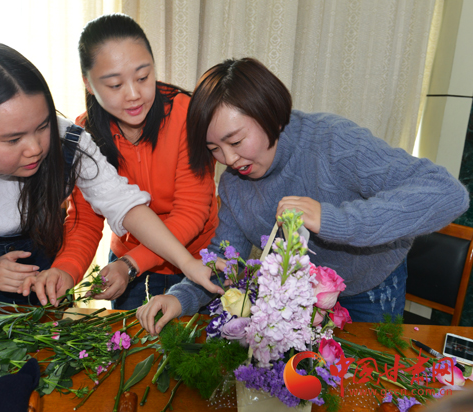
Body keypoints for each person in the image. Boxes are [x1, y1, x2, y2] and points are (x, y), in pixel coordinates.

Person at [137, 57, 469, 334]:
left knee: (363, 384)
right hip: (296, 298)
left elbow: (447, 193)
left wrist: (333, 220)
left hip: (369, 287)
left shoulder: (333, 141)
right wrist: (182, 297)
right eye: (215, 149)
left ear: (269, 112)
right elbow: (226, 259)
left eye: (236, 142)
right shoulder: (234, 184)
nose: (230, 160)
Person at [0, 42, 216, 305]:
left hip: (40, 282)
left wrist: (188, 265)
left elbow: (124, 205)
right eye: (12, 139)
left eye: (42, 126)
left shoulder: (69, 141)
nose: (35, 148)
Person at [45, 14, 218, 310]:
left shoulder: (188, 116)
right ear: (88, 83)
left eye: (143, 77)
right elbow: (84, 221)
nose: (134, 95)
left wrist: (131, 263)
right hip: (130, 270)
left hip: (196, 260)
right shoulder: (85, 135)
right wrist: (66, 270)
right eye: (115, 85)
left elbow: (192, 212)